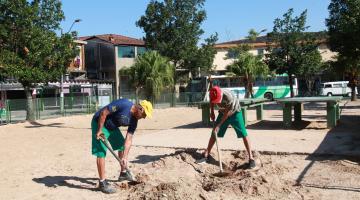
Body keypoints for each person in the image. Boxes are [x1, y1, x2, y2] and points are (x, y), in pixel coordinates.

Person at [91, 99, 153, 194]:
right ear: (140, 109)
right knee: (101, 152)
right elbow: (104, 112)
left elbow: (128, 139)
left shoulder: (134, 121)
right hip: (99, 122)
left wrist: (125, 157)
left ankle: (123, 173)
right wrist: (99, 130)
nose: (144, 118)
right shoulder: (124, 104)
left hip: (112, 127)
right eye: (144, 115)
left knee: (121, 146)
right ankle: (102, 183)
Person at [197, 86, 256, 169]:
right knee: (214, 133)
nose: (218, 102)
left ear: (221, 94)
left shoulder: (228, 96)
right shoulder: (212, 94)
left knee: (243, 133)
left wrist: (219, 125)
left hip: (235, 112)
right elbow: (211, 101)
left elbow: (227, 113)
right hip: (222, 112)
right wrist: (212, 112)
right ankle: (206, 154)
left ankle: (251, 158)